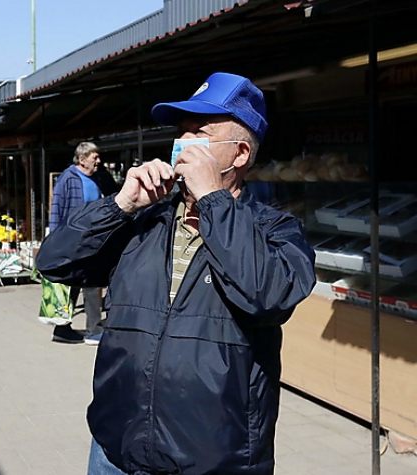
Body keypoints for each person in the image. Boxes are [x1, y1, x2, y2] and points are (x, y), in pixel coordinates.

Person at [36, 72, 316, 474]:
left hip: (213, 458)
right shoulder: (144, 220)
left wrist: (214, 200)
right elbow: (55, 262)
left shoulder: (277, 231)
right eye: (180, 131)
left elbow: (268, 294)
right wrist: (120, 205)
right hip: (117, 448)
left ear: (238, 154)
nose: (183, 144)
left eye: (198, 132)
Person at [46, 142, 106, 345]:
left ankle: (92, 329)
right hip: (72, 240)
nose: (98, 161)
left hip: (91, 240)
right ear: (82, 159)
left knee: (91, 284)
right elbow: (56, 209)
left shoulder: (96, 178)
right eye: (94, 157)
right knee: (71, 285)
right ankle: (63, 328)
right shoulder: (67, 179)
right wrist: (54, 240)